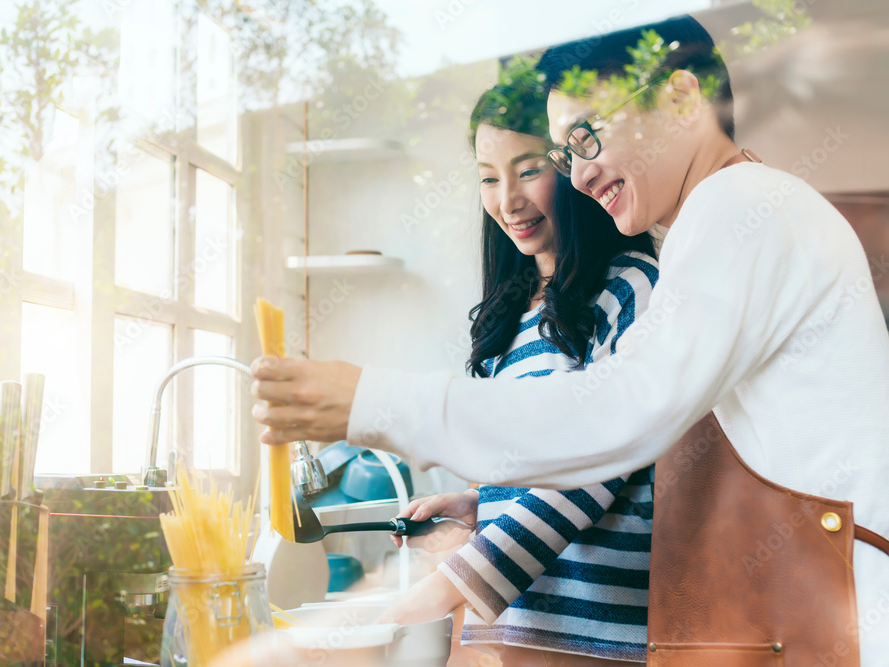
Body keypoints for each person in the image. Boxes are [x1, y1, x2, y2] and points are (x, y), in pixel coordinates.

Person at [251, 15, 889, 665]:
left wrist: (372, 400)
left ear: (681, 97)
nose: (579, 176)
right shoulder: (735, 214)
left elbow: (619, 414)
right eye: (565, 156)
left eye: (586, 138)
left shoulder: (740, 208)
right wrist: (489, 499)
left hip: (851, 618)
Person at [375, 68, 658, 667]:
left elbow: (598, 466)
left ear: (572, 163)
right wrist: (483, 500)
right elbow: (543, 458)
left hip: (593, 641)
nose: (508, 201)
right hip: (501, 634)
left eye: (529, 169)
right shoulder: (511, 314)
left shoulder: (632, 287)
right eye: (488, 179)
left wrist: (446, 584)